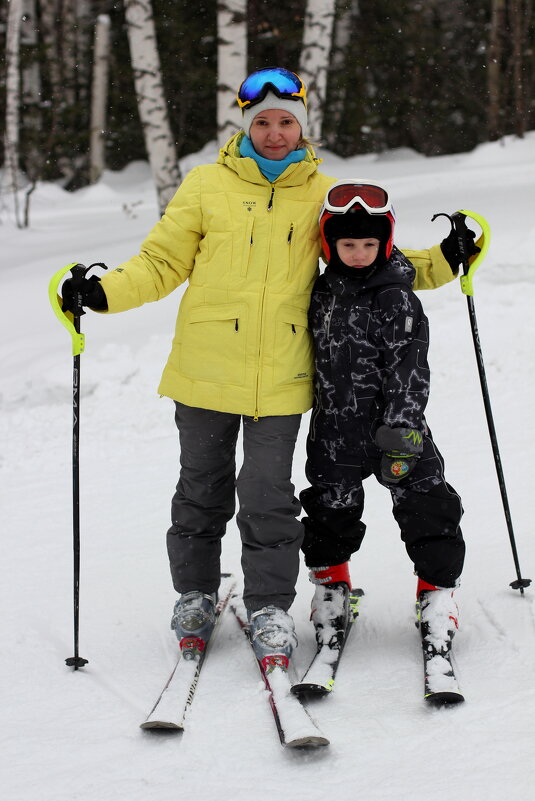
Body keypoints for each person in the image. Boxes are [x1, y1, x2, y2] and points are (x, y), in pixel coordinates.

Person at [60, 68, 467, 667]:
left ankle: (271, 604)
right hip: (204, 368)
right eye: (262, 122)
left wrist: (446, 260)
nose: (274, 134)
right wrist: (104, 293)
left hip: (282, 375)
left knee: (268, 494)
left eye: (285, 122)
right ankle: (195, 595)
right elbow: (159, 260)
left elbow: (373, 259)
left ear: (302, 126)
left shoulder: (322, 192)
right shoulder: (205, 184)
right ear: (244, 126)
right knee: (201, 491)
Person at [299, 179, 465, 653]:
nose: (357, 253)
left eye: (368, 243)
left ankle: (437, 594)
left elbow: (411, 370)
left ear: (385, 243)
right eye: (346, 244)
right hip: (334, 430)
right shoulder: (319, 291)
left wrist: (402, 428)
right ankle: (331, 587)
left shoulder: (397, 296)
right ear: (330, 244)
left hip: (397, 430)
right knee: (330, 511)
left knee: (428, 508)